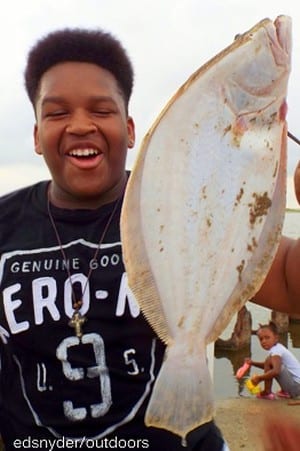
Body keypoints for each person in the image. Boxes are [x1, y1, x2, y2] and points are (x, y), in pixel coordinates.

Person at [0, 28, 228, 451]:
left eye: (101, 110)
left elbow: (288, 280)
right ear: (35, 136)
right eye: (56, 113)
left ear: (129, 129)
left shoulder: (181, 212)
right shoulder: (5, 225)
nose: (81, 125)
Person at [245, 322, 300, 400]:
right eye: (261, 339)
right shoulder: (278, 348)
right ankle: (284, 391)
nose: (263, 341)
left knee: (269, 361)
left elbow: (276, 371)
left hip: (296, 388)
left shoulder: (276, 351)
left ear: (276, 338)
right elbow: (270, 366)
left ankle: (267, 392)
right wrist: (252, 363)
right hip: (296, 387)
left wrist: (259, 378)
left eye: (267, 338)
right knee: (270, 361)